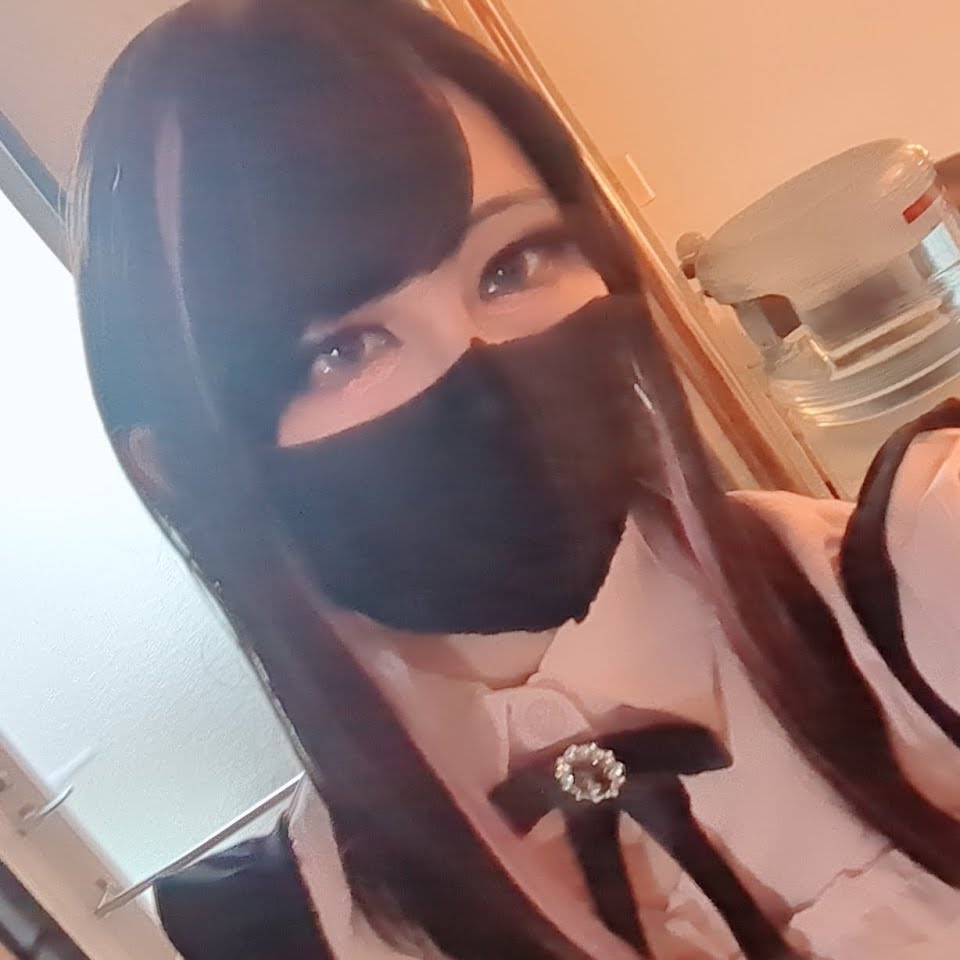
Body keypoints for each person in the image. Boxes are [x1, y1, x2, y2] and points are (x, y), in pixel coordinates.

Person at [71, 1, 960, 958]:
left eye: (511, 265)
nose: (480, 363)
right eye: (341, 348)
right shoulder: (293, 930)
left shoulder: (924, 568)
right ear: (184, 467)